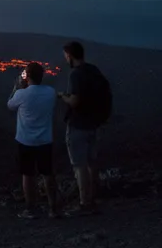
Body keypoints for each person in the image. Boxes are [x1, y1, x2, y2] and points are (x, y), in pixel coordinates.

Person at [58, 41, 111, 216]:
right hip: (94, 124)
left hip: (79, 125)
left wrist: (62, 97)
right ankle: (92, 199)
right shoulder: (93, 70)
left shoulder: (75, 75)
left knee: (79, 165)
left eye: (66, 55)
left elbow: (74, 101)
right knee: (91, 163)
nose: (65, 59)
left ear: (71, 56)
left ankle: (84, 204)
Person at [7, 62, 61, 218]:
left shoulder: (21, 94)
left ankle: (31, 209)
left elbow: (10, 105)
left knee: (28, 175)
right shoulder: (50, 92)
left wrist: (17, 86)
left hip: (25, 141)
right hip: (45, 140)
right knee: (48, 174)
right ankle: (54, 209)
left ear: (27, 76)